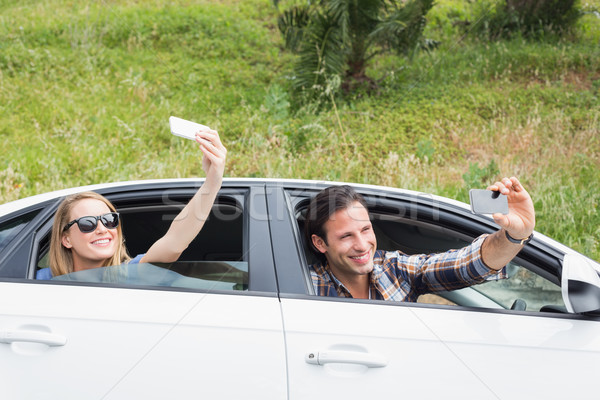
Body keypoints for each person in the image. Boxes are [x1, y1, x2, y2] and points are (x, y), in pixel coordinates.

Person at [37, 127, 226, 280]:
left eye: (109, 220)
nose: (103, 229)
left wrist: (213, 180)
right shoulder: (37, 282)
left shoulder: (130, 274)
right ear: (66, 239)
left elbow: (174, 243)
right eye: (88, 223)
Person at [304, 177, 535, 301]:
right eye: (346, 236)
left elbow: (468, 265)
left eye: (365, 230)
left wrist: (515, 234)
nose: (362, 245)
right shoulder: (306, 286)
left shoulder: (394, 269)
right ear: (320, 243)